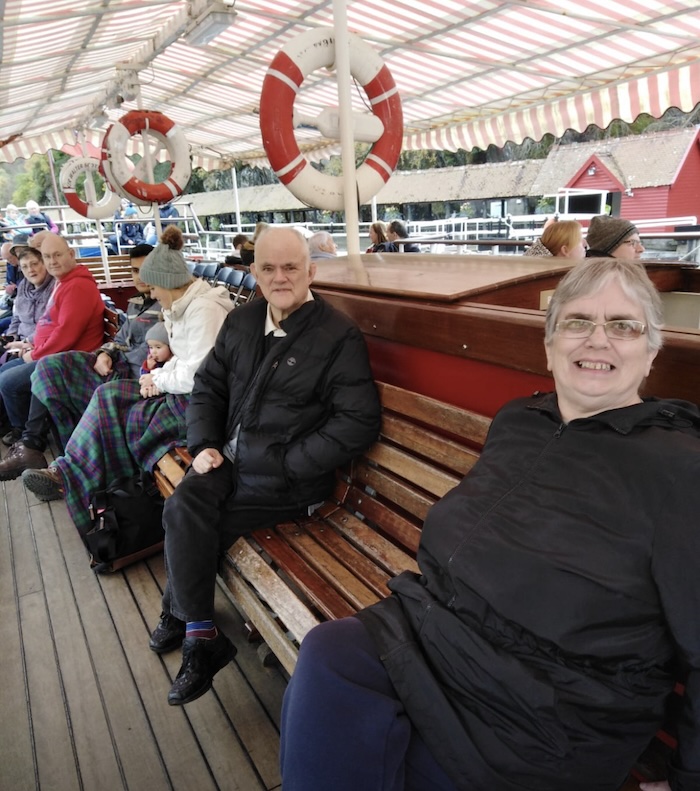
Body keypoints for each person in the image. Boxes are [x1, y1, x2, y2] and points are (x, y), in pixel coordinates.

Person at [280, 258, 700, 791]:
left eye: (623, 326)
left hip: (540, 709)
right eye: (577, 322)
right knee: (328, 656)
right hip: (436, 636)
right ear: (549, 346)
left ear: (651, 352)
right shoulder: (520, 421)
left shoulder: (680, 471)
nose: (598, 340)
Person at [146, 225, 381, 707]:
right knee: (187, 500)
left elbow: (358, 422)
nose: (280, 277)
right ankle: (200, 631)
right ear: (253, 272)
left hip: (286, 484)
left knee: (189, 521)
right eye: (268, 268)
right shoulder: (243, 322)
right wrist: (206, 442)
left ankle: (185, 617)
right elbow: (209, 386)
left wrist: (287, 462)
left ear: (310, 271)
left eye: (291, 267)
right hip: (231, 462)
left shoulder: (337, 336)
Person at [19, 226, 232, 536]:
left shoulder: (204, 311)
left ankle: (72, 477)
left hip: (200, 402)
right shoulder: (182, 306)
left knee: (115, 404)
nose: (153, 294)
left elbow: (196, 373)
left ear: (166, 283)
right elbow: (185, 366)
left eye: (155, 288)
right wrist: (155, 377)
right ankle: (67, 472)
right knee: (108, 396)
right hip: (176, 387)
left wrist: (157, 380)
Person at [0, 244, 160, 473]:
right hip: (109, 363)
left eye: (147, 270)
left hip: (133, 379)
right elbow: (121, 339)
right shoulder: (136, 303)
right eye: (134, 271)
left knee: (40, 379)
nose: (140, 276)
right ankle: (30, 446)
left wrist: (112, 356)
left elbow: (147, 353)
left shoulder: (165, 307)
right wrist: (105, 353)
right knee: (47, 368)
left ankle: (63, 465)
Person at [0, 234, 104, 466]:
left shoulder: (77, 286)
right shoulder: (64, 282)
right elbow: (49, 324)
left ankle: (29, 440)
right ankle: (27, 437)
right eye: (47, 257)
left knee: (9, 382)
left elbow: (66, 335)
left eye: (57, 254)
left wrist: (34, 354)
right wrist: (31, 344)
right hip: (53, 355)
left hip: (74, 361)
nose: (52, 261)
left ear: (71, 254)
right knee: (6, 369)